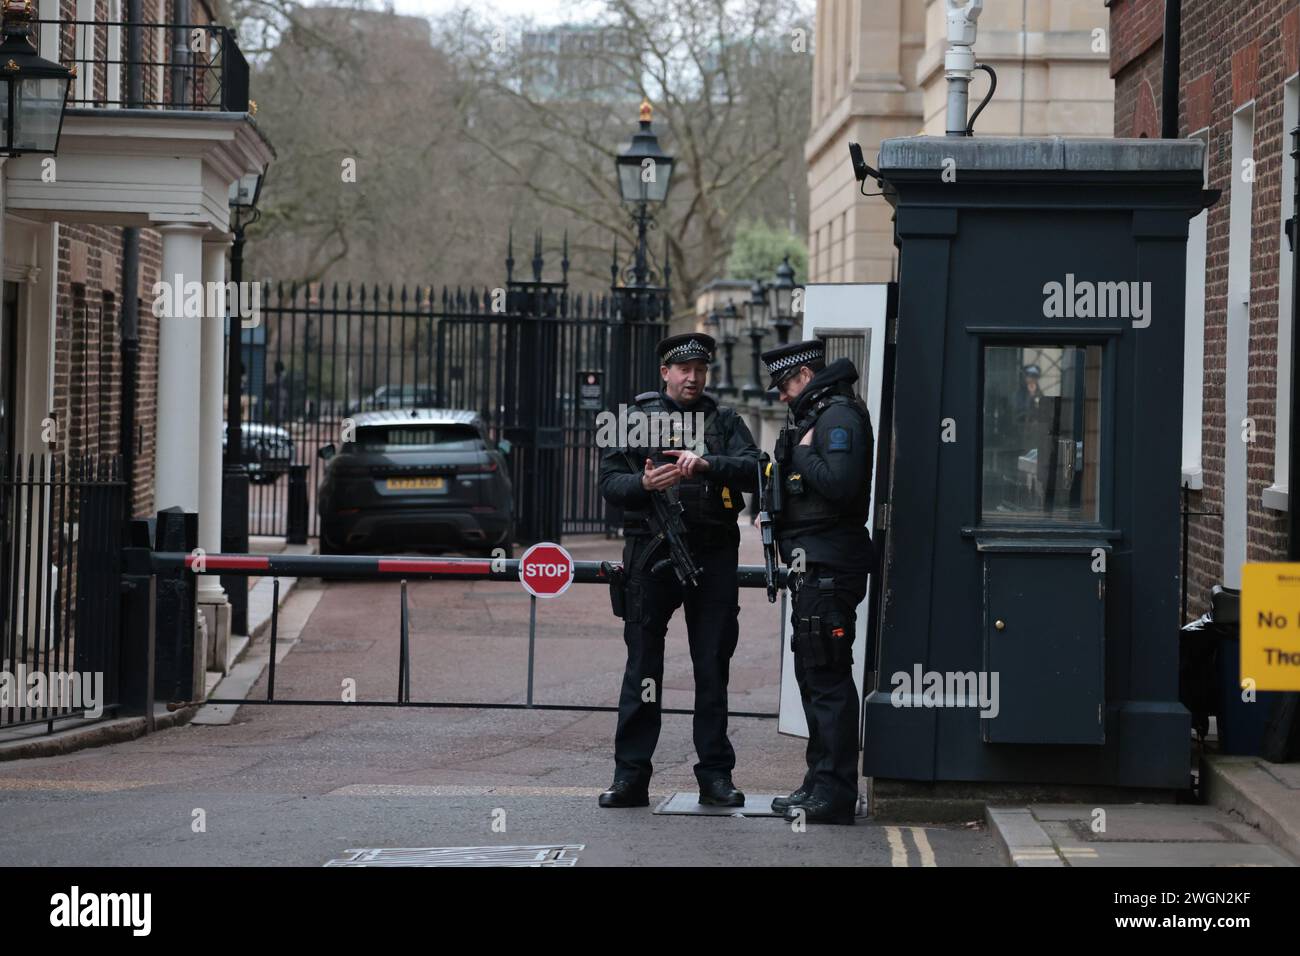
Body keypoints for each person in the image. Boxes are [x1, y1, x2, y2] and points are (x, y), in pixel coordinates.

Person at [596, 333, 760, 809]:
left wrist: (709, 465)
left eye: (700, 370)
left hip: (712, 556)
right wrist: (644, 482)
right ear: (665, 372)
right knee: (642, 667)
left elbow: (757, 471)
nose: (693, 378)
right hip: (650, 554)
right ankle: (630, 777)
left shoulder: (725, 420)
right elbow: (609, 483)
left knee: (712, 666)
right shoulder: (632, 421)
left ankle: (715, 776)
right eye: (683, 369)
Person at [760, 339, 874, 825]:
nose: (783, 396)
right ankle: (819, 781)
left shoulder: (838, 417)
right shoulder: (818, 417)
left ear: (805, 374)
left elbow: (843, 487)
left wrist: (802, 457)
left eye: (786, 384)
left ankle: (835, 792)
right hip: (815, 566)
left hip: (831, 566)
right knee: (813, 674)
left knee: (827, 676)